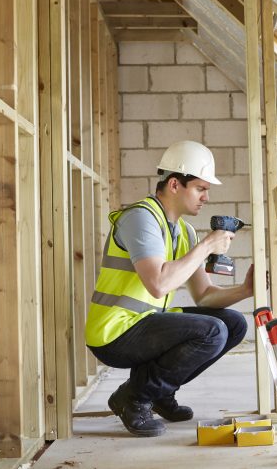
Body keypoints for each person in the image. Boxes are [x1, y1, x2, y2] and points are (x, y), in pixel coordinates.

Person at [85, 140, 254, 437]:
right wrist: (207, 246)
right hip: (114, 332)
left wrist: (246, 290)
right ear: (175, 184)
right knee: (211, 331)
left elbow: (205, 295)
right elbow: (158, 284)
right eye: (200, 189)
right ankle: (135, 397)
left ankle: (160, 394)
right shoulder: (141, 218)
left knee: (233, 323)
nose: (206, 197)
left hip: (145, 325)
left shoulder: (183, 231)